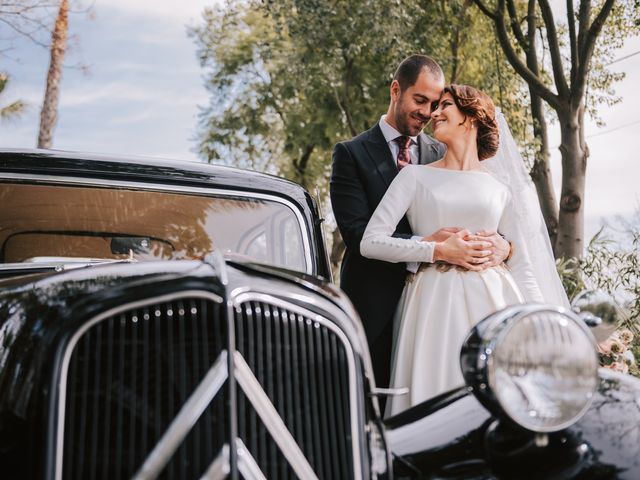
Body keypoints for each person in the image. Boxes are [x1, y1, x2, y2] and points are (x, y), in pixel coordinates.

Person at [360, 84, 569, 417]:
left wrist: (542, 320)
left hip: (495, 304)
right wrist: (437, 251)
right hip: (433, 305)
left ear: (471, 117)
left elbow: (523, 265)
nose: (434, 113)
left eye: (445, 105)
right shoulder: (414, 177)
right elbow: (370, 242)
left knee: (499, 400)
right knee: (435, 397)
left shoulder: (499, 188)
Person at [330, 55, 510, 393]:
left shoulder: (441, 148)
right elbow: (358, 234)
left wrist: (506, 245)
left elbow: (475, 208)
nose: (428, 112)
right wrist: (431, 246)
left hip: (443, 304)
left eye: (435, 103)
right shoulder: (351, 154)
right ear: (396, 90)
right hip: (376, 304)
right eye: (420, 100)